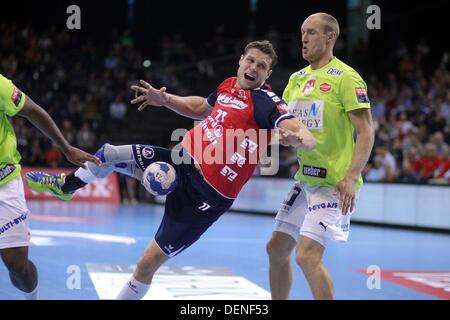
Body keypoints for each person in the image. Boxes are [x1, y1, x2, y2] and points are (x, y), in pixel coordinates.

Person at [25, 40, 316, 300]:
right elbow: (202, 106)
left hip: (205, 198)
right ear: (241, 60)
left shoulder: (266, 102)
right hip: (182, 163)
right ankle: (67, 187)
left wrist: (301, 136)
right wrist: (165, 100)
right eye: (250, 60)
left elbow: (291, 124)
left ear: (266, 74)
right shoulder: (228, 85)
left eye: (262, 66)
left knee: (146, 263)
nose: (254, 67)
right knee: (109, 153)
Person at [266, 13, 375, 300]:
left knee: (307, 256)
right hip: (305, 181)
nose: (303, 38)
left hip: (335, 184)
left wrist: (351, 176)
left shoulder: (347, 78)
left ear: (330, 37)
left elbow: (366, 131)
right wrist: (284, 136)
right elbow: (287, 126)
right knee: (276, 248)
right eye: (302, 32)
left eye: (311, 32)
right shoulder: (296, 79)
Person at [0, 74, 100, 299]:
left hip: (3, 182)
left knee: (17, 266)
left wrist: (66, 149)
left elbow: (33, 111)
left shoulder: (0, 86)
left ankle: (32, 296)